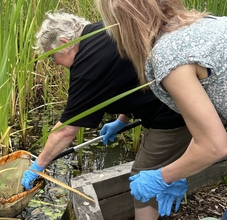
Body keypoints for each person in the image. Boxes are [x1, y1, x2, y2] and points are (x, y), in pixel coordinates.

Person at [21, 11, 192, 220]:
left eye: (52, 55)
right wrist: (121, 121)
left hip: (174, 113)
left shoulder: (86, 66)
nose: (54, 63)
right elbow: (128, 78)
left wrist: (38, 166)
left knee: (142, 179)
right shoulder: (104, 30)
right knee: (152, 174)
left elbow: (66, 130)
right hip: (178, 97)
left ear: (65, 43)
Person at [95, 0, 227, 218]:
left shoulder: (169, 56)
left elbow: (215, 145)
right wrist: (177, 174)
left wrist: (162, 177)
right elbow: (206, 124)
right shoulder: (200, 24)